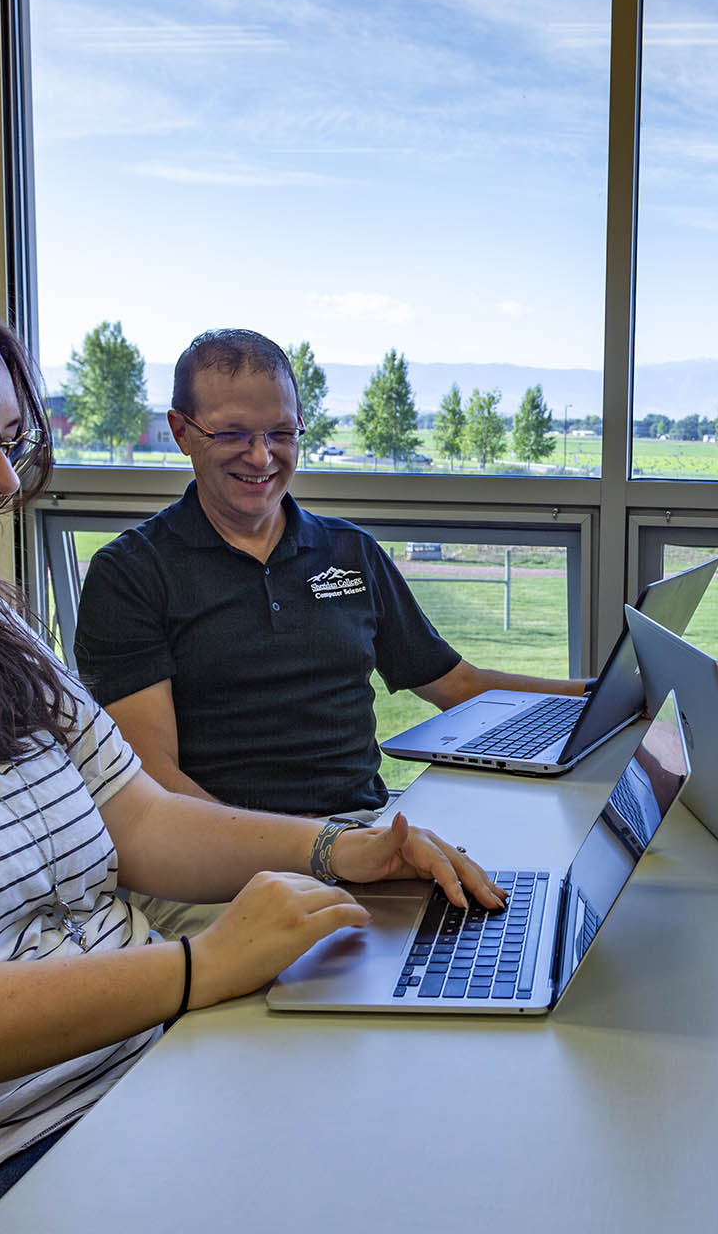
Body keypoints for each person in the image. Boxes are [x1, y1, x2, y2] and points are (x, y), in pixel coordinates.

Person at [0, 261, 504, 1234]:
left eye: (8, 443)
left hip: (117, 1082)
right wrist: (200, 966)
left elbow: (143, 821)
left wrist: (337, 848)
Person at [73, 328, 584, 934]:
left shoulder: (349, 551)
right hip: (218, 862)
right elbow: (156, 788)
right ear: (182, 431)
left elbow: (457, 683)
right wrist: (317, 852)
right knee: (325, 978)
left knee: (493, 920)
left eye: (281, 433)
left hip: (362, 832)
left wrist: (597, 697)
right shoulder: (132, 573)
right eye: (232, 433)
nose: (261, 457)